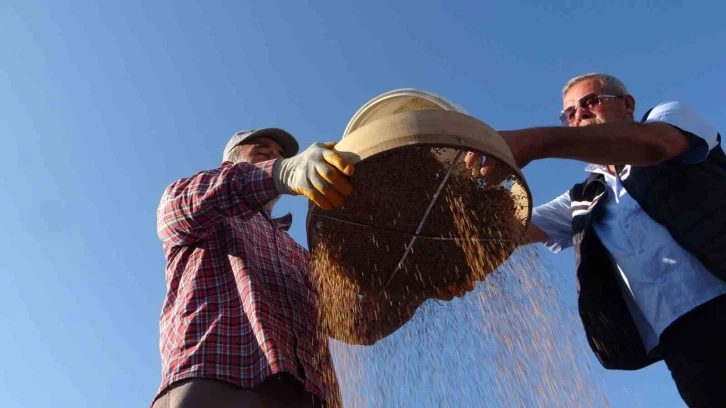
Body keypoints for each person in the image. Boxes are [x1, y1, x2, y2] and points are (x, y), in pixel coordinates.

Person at [466, 72, 725, 407]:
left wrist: (535, 142)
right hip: (684, 345)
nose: (579, 114)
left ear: (627, 104)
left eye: (589, 102)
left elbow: (655, 145)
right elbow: (505, 232)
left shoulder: (670, 118)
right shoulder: (584, 199)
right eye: (569, 113)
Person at [151, 128, 356, 408]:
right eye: (262, 151)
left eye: (281, 156)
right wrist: (282, 172)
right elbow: (188, 204)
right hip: (216, 384)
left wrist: (416, 293)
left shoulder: (299, 255)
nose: (274, 157)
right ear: (229, 163)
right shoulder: (198, 209)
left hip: (309, 397)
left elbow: (350, 324)